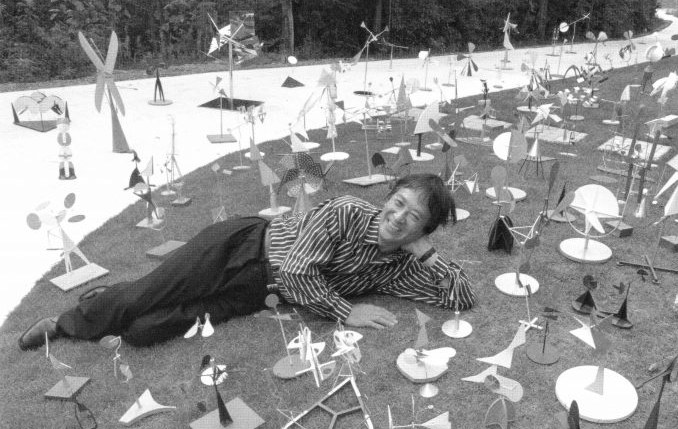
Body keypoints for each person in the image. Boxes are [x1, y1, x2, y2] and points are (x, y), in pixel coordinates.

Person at [19, 173, 475, 349]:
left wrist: (429, 256)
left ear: (424, 229)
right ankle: (64, 324)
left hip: (261, 293)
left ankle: (107, 300)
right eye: (397, 202)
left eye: (414, 217)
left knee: (144, 331)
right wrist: (346, 311)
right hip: (242, 247)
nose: (398, 217)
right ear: (388, 198)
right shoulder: (347, 211)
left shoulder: (402, 266)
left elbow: (460, 298)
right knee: (150, 293)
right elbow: (297, 270)